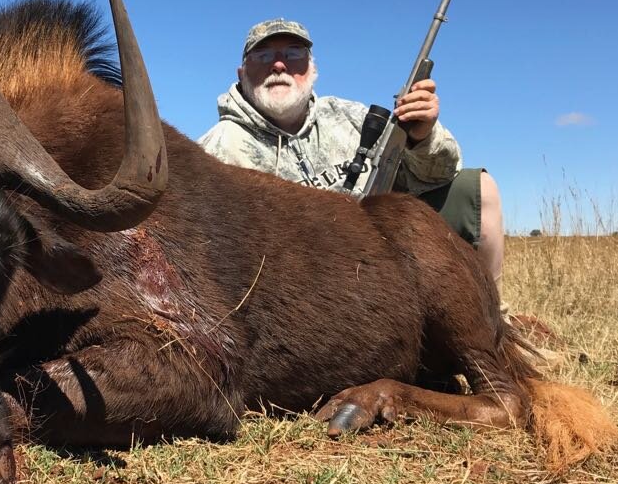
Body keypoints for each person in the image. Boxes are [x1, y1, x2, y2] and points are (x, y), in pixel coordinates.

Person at [199, 18, 505, 302]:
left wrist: (422, 137)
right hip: (300, 288)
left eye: (294, 54)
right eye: (263, 56)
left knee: (478, 188)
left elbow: (439, 174)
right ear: (241, 73)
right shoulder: (218, 149)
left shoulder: (351, 117)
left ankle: (496, 323)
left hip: (385, 254)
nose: (279, 65)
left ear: (312, 70)